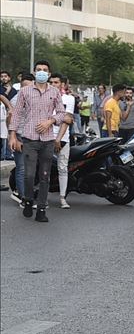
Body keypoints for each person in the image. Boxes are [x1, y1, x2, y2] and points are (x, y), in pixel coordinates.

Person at [8, 60, 66, 222]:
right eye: (38, 69)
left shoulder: (54, 92)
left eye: (45, 70)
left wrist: (50, 121)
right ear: (34, 72)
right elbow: (17, 113)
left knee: (45, 175)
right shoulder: (25, 91)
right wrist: (12, 135)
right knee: (29, 174)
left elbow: (62, 113)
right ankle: (27, 199)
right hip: (29, 139)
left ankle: (41, 209)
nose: (41, 72)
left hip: (47, 140)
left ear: (49, 73)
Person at [48, 73, 75, 208]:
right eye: (51, 82)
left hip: (62, 138)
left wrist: (58, 139)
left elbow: (67, 120)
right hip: (45, 138)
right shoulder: (44, 97)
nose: (53, 85)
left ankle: (62, 198)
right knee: (44, 169)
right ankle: (43, 198)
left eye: (56, 82)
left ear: (62, 84)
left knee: (62, 168)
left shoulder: (68, 99)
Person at [8, 75, 34, 202]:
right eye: (25, 86)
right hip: (20, 136)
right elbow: (10, 120)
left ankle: (26, 192)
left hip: (34, 138)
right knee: (21, 167)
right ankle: (23, 197)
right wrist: (13, 138)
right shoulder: (15, 99)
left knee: (32, 168)